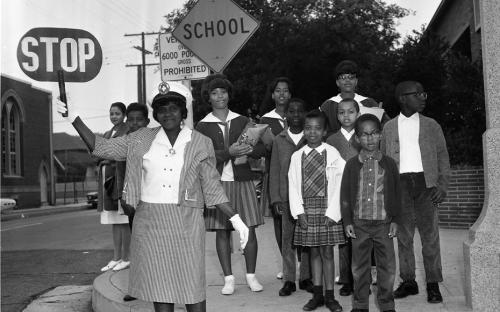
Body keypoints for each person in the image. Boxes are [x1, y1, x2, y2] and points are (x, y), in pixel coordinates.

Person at [56, 82, 249, 312]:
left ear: (183, 112)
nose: (167, 113)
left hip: (186, 222)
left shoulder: (200, 142)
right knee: (160, 287)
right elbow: (102, 148)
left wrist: (236, 220)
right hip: (149, 223)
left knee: (192, 285)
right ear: (155, 114)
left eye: (173, 108)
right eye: (162, 109)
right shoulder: (140, 138)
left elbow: (212, 188)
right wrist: (74, 118)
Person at [196, 74, 266, 295]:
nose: (220, 96)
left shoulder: (243, 121)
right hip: (217, 184)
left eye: (223, 92)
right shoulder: (202, 125)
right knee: (222, 231)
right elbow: (200, 156)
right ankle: (228, 279)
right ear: (208, 97)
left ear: (229, 94)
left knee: (250, 228)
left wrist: (249, 149)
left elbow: (262, 149)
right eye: (215, 93)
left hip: (242, 180)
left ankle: (251, 276)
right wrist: (228, 152)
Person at [381, 81, 450, 304]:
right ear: (402, 98)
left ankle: (432, 284)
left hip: (425, 184)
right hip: (400, 185)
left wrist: (442, 185)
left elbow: (442, 157)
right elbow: (383, 160)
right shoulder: (389, 127)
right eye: (417, 94)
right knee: (403, 237)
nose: (423, 97)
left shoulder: (432, 125)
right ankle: (409, 281)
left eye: (423, 93)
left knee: (430, 237)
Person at [340, 114, 401, 312]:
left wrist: (396, 220)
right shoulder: (351, 165)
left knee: (387, 268)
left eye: (374, 133)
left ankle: (387, 304)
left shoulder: (390, 164)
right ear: (357, 138)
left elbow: (397, 193)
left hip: (384, 223)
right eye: (364, 135)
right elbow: (346, 195)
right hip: (360, 224)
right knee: (359, 268)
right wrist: (348, 220)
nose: (370, 138)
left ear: (381, 135)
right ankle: (360, 305)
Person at [288, 110, 345, 312]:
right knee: (313, 253)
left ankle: (330, 296)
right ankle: (318, 294)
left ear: (325, 131)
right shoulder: (296, 157)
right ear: (303, 130)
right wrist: (299, 213)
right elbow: (293, 185)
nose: (312, 132)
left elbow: (340, 184)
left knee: (328, 252)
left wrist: (333, 212)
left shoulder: (333, 153)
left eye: (317, 128)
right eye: (308, 128)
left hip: (327, 208)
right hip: (306, 209)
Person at [269, 98, 313, 296]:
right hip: (286, 198)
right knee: (287, 240)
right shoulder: (280, 139)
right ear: (285, 115)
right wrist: (276, 199)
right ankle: (289, 280)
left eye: (300, 111)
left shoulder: (312, 137)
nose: (296, 116)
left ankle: (306, 278)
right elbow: (275, 169)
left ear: (305, 114)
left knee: (307, 239)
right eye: (292, 112)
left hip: (309, 198)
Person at [325, 98, 361, 296]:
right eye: (341, 112)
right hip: (340, 196)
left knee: (362, 239)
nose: (346, 116)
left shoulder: (364, 136)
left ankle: (361, 279)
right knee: (344, 240)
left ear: (357, 114)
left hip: (363, 195)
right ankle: (346, 279)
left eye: (350, 112)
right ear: (337, 116)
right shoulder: (331, 140)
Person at [259, 77, 293, 279]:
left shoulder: (299, 115)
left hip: (298, 173)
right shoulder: (265, 120)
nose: (282, 94)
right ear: (272, 95)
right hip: (276, 173)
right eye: (278, 91)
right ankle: (287, 263)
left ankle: (300, 262)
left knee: (299, 219)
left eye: (286, 90)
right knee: (280, 220)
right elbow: (263, 149)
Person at [118, 102, 150, 303]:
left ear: (147, 121)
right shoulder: (124, 143)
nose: (135, 123)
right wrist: (123, 195)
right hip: (133, 201)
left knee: (158, 245)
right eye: (131, 119)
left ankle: (162, 284)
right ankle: (137, 288)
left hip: (155, 200)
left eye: (139, 119)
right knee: (137, 245)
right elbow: (121, 172)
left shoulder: (156, 141)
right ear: (126, 122)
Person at [98, 102, 131, 272]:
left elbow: (117, 154)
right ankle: (116, 257)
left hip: (121, 180)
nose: (114, 116)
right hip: (109, 180)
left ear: (124, 115)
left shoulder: (127, 131)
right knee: (114, 221)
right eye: (111, 113)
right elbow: (99, 153)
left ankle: (126, 257)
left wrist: (107, 156)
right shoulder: (107, 133)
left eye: (117, 113)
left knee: (124, 220)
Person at [320, 60, 389, 135]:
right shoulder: (328, 105)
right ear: (337, 82)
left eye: (351, 77)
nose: (347, 80)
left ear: (356, 81)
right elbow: (319, 129)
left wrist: (377, 118)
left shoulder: (369, 103)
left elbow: (387, 126)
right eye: (343, 77)